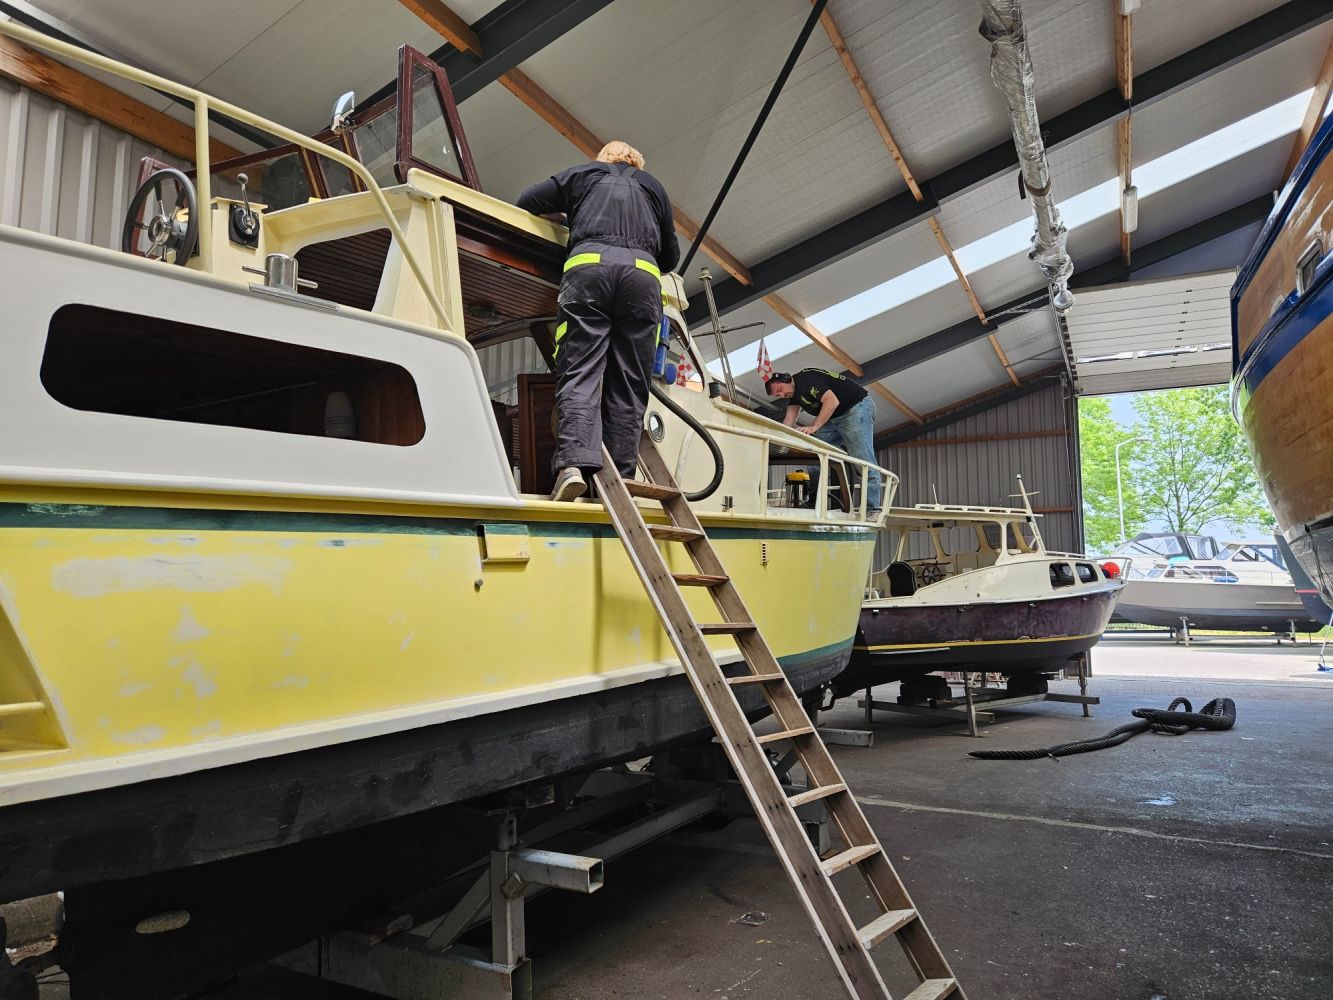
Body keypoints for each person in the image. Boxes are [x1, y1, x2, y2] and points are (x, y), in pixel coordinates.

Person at [516, 141, 680, 501]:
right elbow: (670, 258)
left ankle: (572, 467)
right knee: (629, 383)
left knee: (581, 370)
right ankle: (618, 479)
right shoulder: (653, 187)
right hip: (642, 282)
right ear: (637, 163)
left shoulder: (583, 174)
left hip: (588, 271)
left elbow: (527, 200)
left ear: (603, 158)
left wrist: (570, 219)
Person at [765, 369, 882, 511]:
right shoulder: (794, 394)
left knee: (862, 461)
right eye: (779, 395)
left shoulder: (807, 380)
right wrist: (774, 442)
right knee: (815, 455)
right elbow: (789, 420)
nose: (783, 395)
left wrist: (814, 427)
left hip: (855, 409)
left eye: (780, 389)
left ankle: (873, 509)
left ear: (787, 379)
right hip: (834, 417)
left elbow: (832, 401)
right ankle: (813, 501)